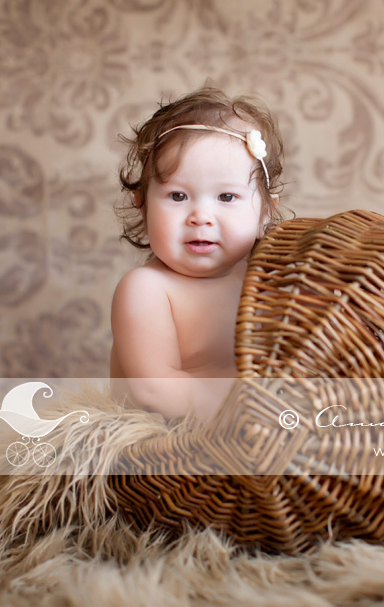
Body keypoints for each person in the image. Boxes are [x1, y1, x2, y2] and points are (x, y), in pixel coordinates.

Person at [110, 86, 285, 421]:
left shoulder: (262, 278)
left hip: (250, 438)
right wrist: (237, 422)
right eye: (178, 196)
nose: (200, 216)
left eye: (226, 197)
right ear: (143, 204)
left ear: (266, 212)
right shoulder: (146, 288)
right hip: (166, 446)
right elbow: (153, 388)